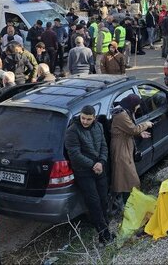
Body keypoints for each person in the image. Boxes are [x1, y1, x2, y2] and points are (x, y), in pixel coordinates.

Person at [64, 105, 114, 244]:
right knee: (94, 203)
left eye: (88, 119)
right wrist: (93, 165)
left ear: (94, 118)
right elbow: (74, 154)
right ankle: (104, 235)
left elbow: (104, 146)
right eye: (83, 118)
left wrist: (101, 162)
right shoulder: (72, 131)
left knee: (103, 199)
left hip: (99, 168)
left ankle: (106, 228)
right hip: (84, 172)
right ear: (80, 116)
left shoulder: (98, 127)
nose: (85, 121)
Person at [110, 94, 152, 203]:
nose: (138, 108)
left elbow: (127, 129)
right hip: (121, 148)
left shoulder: (124, 110)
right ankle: (128, 203)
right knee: (130, 178)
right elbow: (132, 129)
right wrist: (146, 124)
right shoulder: (121, 115)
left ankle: (129, 201)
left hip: (124, 145)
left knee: (126, 177)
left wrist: (140, 133)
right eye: (137, 105)